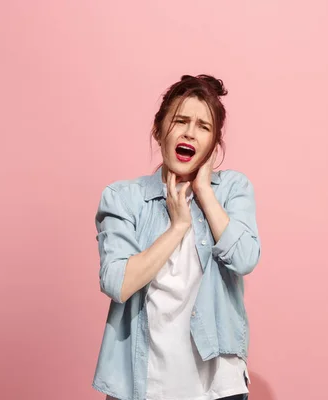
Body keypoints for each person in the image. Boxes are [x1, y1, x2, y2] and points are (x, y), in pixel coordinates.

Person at [92, 74, 261, 400]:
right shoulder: (124, 198)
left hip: (217, 387)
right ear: (159, 130)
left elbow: (245, 258)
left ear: (213, 144)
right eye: (180, 121)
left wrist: (203, 192)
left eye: (203, 127)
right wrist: (177, 228)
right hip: (143, 385)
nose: (189, 132)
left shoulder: (232, 191)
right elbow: (118, 283)